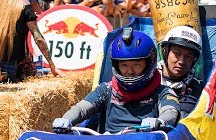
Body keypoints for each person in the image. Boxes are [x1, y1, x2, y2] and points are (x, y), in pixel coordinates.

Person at [52, 28, 180, 134]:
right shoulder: (106, 89)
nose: (130, 71)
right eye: (124, 65)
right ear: (116, 65)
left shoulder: (163, 91)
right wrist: (66, 119)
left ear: (149, 63)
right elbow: (81, 108)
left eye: (136, 65)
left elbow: (171, 112)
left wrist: (160, 121)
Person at [157, 26, 204, 118]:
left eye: (188, 56)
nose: (181, 61)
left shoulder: (198, 91)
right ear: (165, 51)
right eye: (177, 54)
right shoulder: (147, 81)